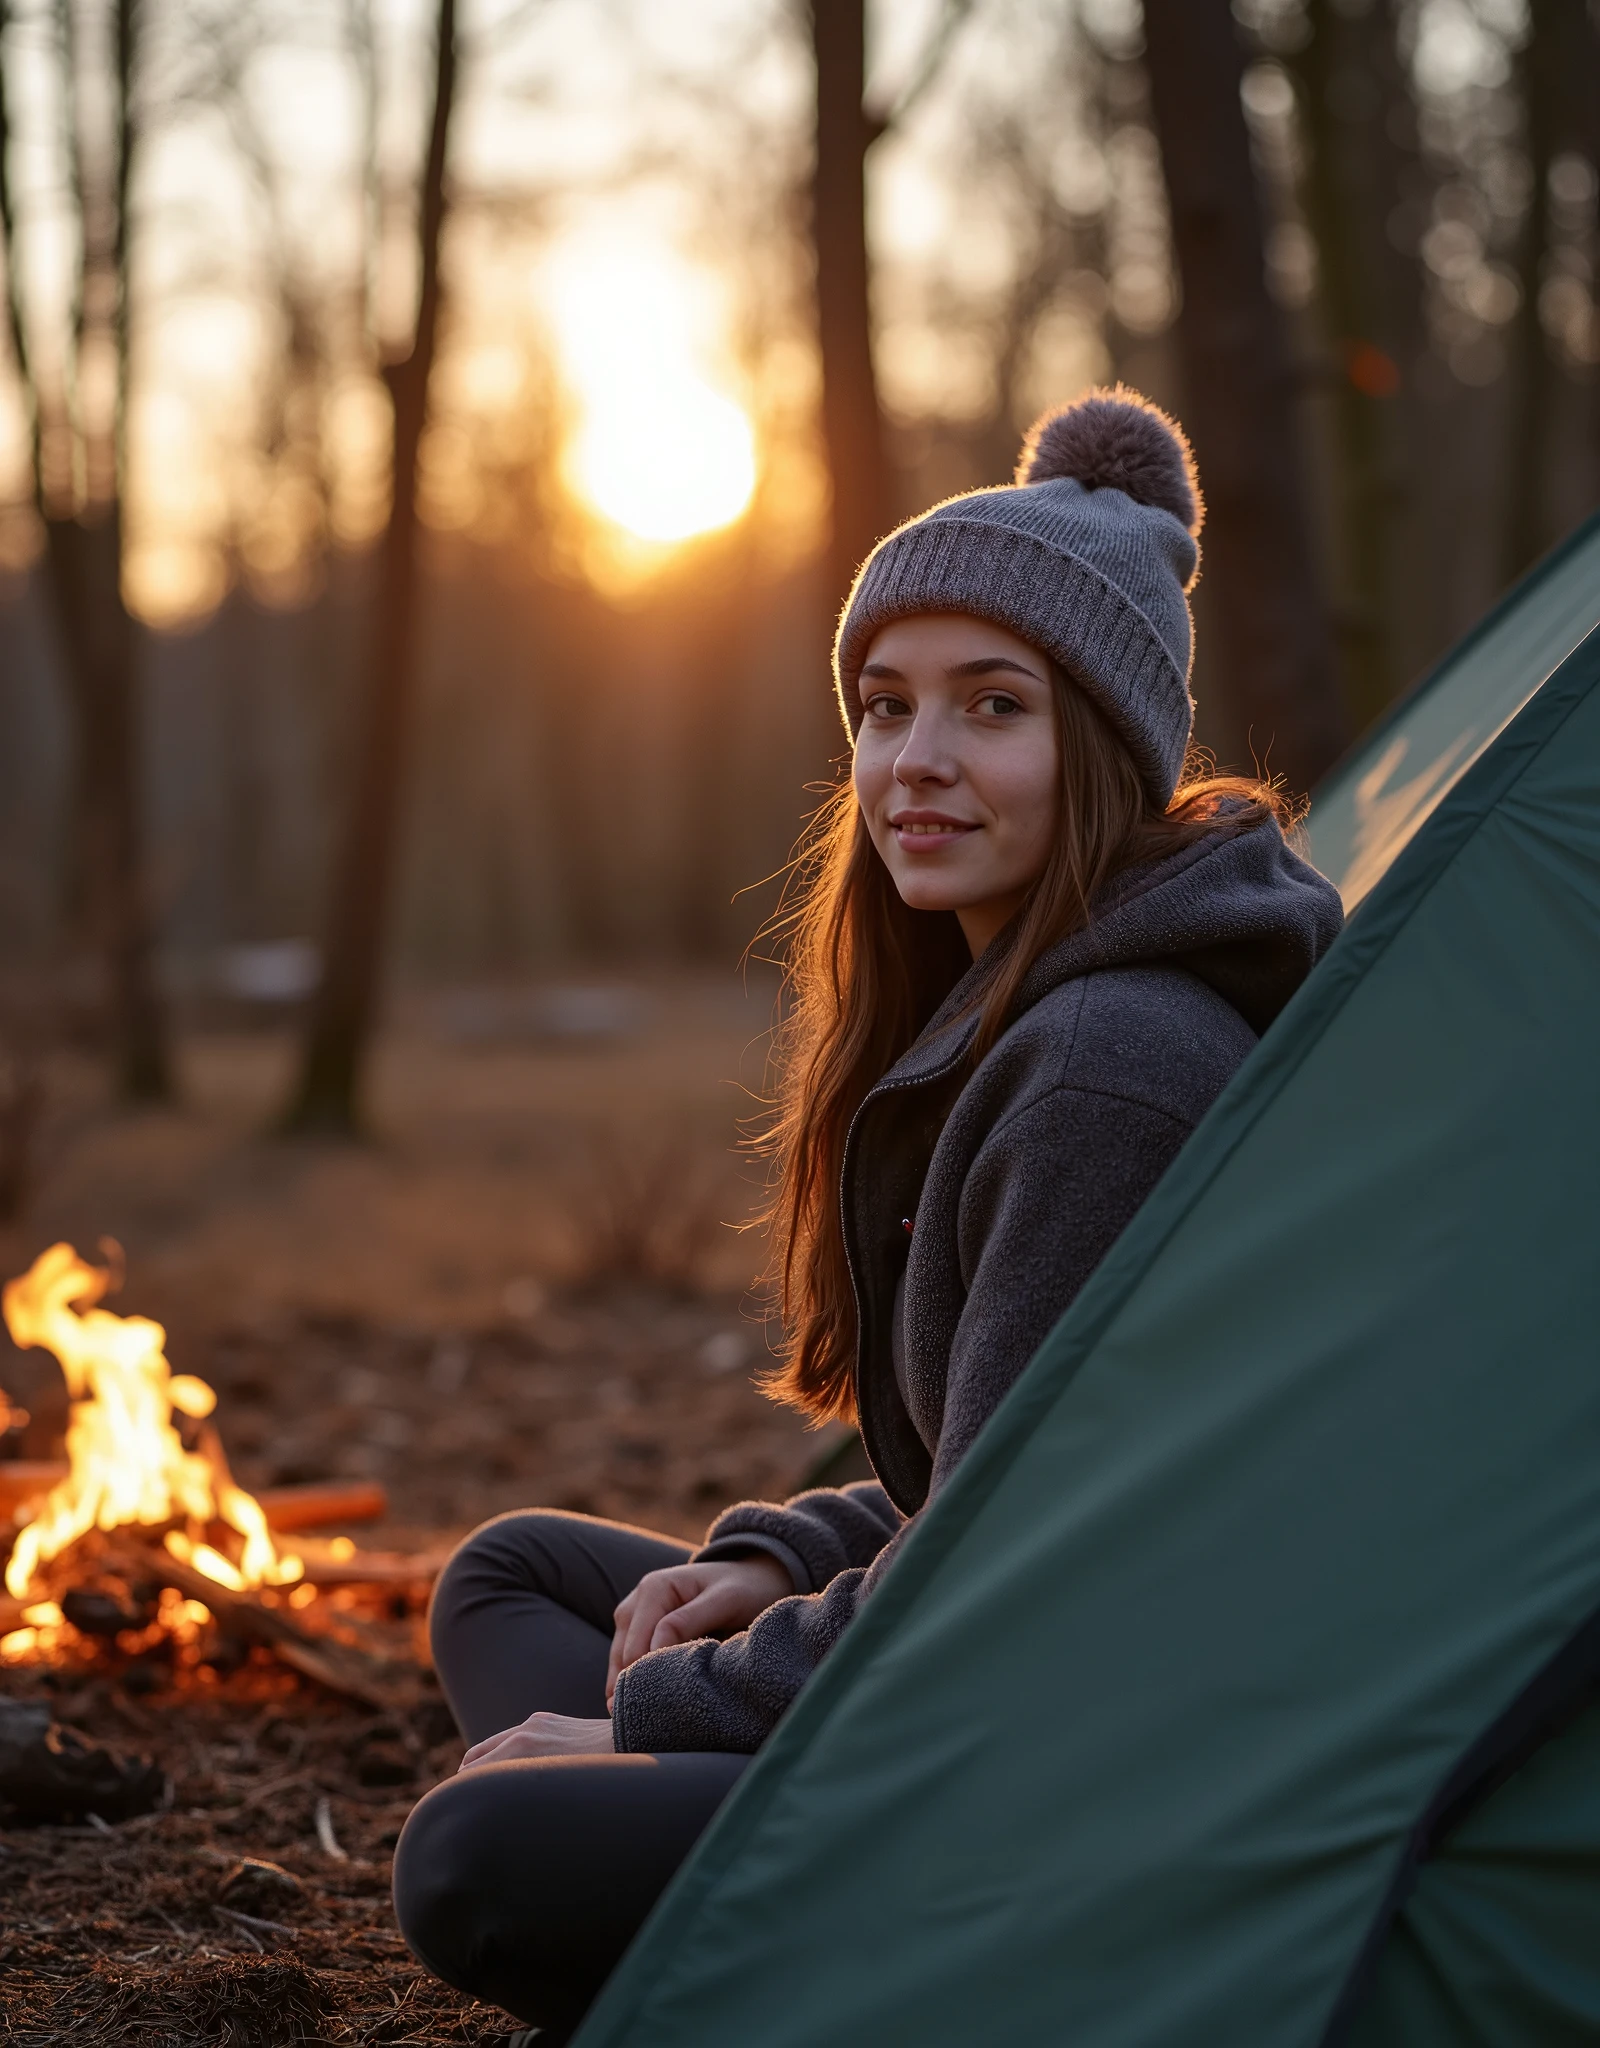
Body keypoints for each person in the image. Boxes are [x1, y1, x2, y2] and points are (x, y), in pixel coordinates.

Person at [392, 388, 1346, 2039]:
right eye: (888, 707)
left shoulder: (1106, 1063)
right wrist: (774, 1560)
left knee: (478, 1855)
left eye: (992, 709)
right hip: (991, 1679)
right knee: (514, 1578)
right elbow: (1009, 1468)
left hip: (1065, 1780)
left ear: (1104, 746)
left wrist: (663, 1722)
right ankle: (728, 1905)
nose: (919, 763)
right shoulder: (1003, 1004)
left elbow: (1011, 1590)